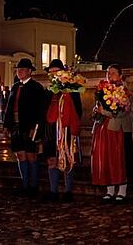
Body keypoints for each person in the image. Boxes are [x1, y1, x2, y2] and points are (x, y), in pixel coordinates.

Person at [91, 64, 133, 203]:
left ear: (120, 75)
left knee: (119, 159)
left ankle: (122, 190)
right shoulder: (102, 90)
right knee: (106, 159)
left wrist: (104, 112)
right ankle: (109, 190)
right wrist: (96, 112)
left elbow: (123, 111)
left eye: (113, 73)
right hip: (103, 128)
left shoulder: (123, 91)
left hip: (118, 130)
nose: (110, 76)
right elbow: (98, 107)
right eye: (108, 73)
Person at [41, 59, 82, 202]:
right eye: (50, 72)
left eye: (55, 72)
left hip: (65, 129)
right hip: (50, 130)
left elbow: (78, 110)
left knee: (67, 159)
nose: (53, 74)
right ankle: (53, 191)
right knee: (51, 159)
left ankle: (68, 191)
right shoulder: (47, 92)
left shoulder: (71, 90)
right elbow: (43, 112)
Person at [4, 58, 44, 196]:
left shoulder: (36, 87)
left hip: (29, 126)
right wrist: (6, 125)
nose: (19, 72)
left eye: (21, 70)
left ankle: (33, 186)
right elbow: (9, 107)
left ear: (29, 71)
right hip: (16, 125)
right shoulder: (15, 87)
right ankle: (25, 184)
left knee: (31, 155)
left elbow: (40, 109)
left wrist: (36, 127)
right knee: (20, 155)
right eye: (17, 70)